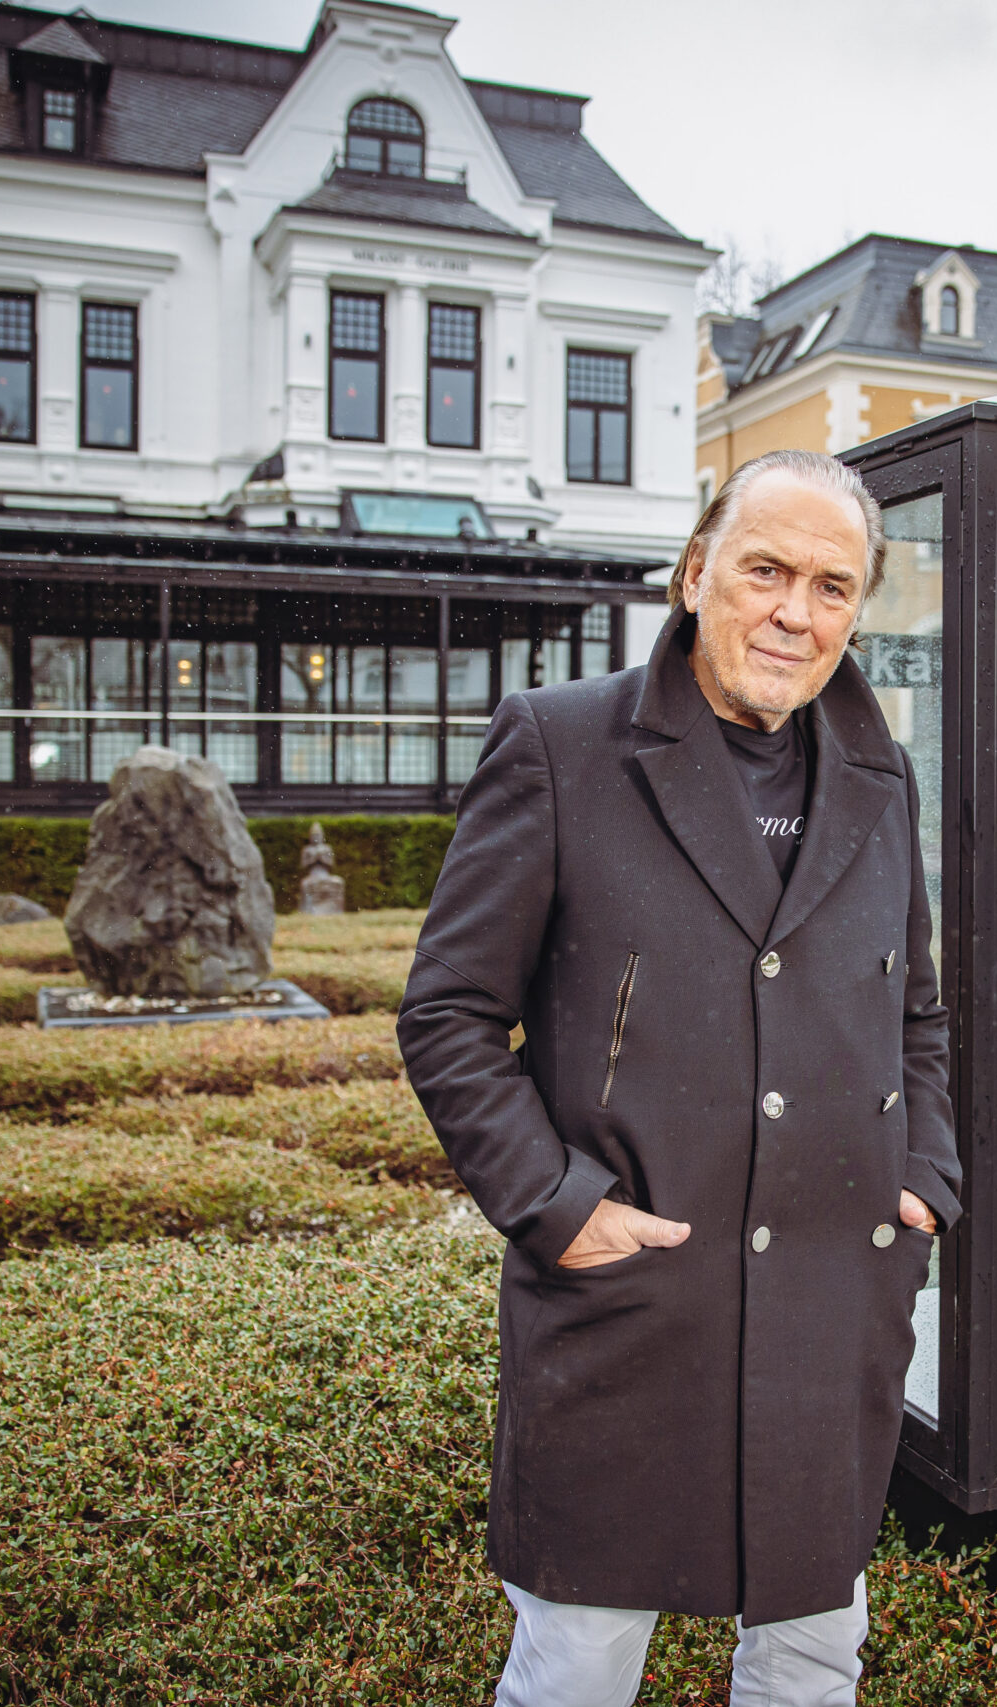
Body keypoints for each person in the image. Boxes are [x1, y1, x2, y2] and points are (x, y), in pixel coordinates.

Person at [399, 448, 960, 1707]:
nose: (794, 612)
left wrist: (923, 1179)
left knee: (815, 1660)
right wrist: (554, 1206)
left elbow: (917, 1011)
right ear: (696, 571)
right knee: (579, 1665)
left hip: (833, 1291)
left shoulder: (881, 774)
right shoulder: (560, 743)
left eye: (831, 585)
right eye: (765, 570)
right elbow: (447, 1011)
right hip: (635, 1303)